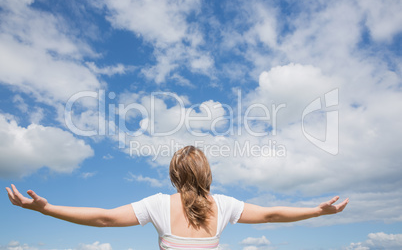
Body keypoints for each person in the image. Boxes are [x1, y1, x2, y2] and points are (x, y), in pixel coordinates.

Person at [6, 145, 349, 249]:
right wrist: (316, 212)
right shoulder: (224, 204)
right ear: (208, 174)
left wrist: (46, 209)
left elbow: (104, 218)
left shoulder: (158, 204)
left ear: (173, 176)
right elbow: (273, 215)